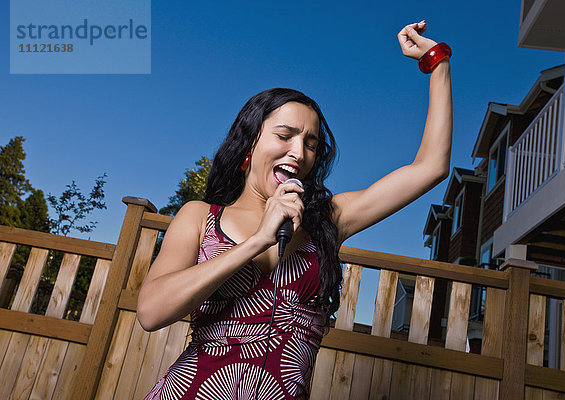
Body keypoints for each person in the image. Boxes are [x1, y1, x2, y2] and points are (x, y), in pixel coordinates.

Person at [138, 20, 452, 400]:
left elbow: (430, 167)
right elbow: (151, 313)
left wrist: (437, 63)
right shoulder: (199, 216)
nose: (299, 152)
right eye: (285, 136)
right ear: (249, 143)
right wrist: (256, 241)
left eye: (311, 144)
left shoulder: (329, 219)